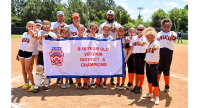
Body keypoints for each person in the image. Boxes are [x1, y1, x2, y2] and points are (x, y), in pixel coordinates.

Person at [33, 20, 58, 93]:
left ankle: (46, 83)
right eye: (45, 26)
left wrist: (48, 35)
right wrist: (37, 34)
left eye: (48, 26)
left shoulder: (52, 33)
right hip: (41, 52)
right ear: (42, 26)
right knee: (39, 68)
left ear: (50, 27)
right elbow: (37, 36)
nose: (46, 27)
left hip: (48, 54)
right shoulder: (40, 32)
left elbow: (55, 40)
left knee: (47, 69)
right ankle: (37, 84)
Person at [98, 10, 121, 85]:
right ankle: (101, 77)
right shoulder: (102, 25)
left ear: (114, 16)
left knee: (111, 62)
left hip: (113, 47)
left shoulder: (117, 25)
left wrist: (117, 31)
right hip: (103, 48)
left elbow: (121, 34)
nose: (110, 16)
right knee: (102, 62)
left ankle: (112, 78)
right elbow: (99, 35)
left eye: (111, 15)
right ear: (107, 16)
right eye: (109, 15)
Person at [125, 24, 148, 94]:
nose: (139, 31)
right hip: (135, 55)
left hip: (142, 55)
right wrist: (127, 57)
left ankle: (140, 86)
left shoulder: (145, 37)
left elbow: (144, 42)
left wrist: (141, 43)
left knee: (141, 71)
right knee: (136, 71)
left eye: (141, 29)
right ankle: (136, 85)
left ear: (143, 30)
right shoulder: (134, 38)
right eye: (138, 29)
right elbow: (131, 49)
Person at [156, 18, 177, 92]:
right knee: (158, 68)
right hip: (160, 52)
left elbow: (174, 38)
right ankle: (156, 85)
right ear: (162, 26)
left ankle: (167, 85)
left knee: (166, 69)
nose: (166, 27)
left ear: (170, 27)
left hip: (168, 52)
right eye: (165, 26)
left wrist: (173, 37)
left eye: (168, 26)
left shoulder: (172, 33)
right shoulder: (158, 34)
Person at [17, 21, 38, 92]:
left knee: (28, 69)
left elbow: (35, 36)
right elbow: (21, 43)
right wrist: (18, 53)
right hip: (21, 51)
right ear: (27, 27)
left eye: (32, 26)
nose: (31, 27)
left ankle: (33, 84)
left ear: (34, 27)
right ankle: (26, 83)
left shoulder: (34, 33)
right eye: (30, 26)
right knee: (23, 68)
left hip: (28, 52)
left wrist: (33, 33)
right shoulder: (24, 34)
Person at [68, 12, 87, 84]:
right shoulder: (69, 27)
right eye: (74, 18)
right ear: (72, 19)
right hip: (72, 49)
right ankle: (70, 78)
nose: (76, 19)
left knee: (80, 64)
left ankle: (80, 79)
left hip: (81, 50)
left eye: (77, 17)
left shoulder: (83, 27)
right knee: (72, 64)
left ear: (79, 18)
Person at [142, 27, 160, 105]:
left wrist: (155, 48)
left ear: (154, 37)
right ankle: (150, 93)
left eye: (151, 37)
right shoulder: (148, 44)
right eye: (148, 37)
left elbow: (156, 47)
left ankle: (156, 96)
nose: (150, 38)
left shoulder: (156, 42)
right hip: (148, 64)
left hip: (154, 65)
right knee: (149, 79)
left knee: (154, 80)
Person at [50, 10, 68, 84]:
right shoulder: (53, 24)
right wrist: (57, 28)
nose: (60, 17)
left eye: (61, 16)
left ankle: (67, 78)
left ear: (63, 17)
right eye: (59, 16)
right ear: (56, 17)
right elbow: (49, 31)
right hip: (54, 45)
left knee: (64, 61)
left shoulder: (66, 25)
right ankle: (58, 76)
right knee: (56, 61)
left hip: (63, 45)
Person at [95, 24, 113, 89]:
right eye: (105, 29)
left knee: (106, 70)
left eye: (108, 30)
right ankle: (97, 83)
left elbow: (112, 47)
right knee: (98, 69)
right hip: (99, 56)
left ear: (109, 30)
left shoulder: (111, 38)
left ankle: (104, 82)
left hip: (107, 56)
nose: (106, 31)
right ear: (102, 30)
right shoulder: (99, 36)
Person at [72, 24, 89, 90]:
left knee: (85, 71)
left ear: (84, 30)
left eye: (82, 30)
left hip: (85, 57)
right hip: (77, 57)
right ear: (77, 30)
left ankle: (85, 83)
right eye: (79, 30)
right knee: (78, 70)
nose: (80, 31)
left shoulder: (87, 38)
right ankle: (79, 83)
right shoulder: (74, 37)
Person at [86, 23, 99, 88]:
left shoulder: (98, 36)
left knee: (94, 67)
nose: (93, 30)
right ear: (89, 29)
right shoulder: (86, 35)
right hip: (88, 54)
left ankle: (93, 80)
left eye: (94, 29)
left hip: (96, 54)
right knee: (88, 67)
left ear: (96, 29)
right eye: (92, 28)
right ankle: (88, 80)